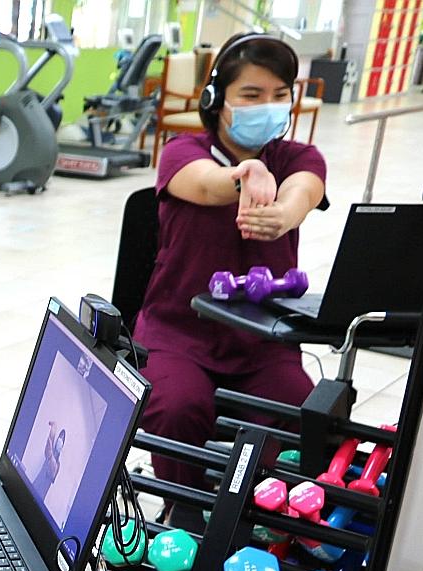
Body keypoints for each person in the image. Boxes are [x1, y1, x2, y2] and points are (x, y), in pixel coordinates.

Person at [133, 34, 326, 522]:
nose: (268, 106)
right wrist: (243, 174)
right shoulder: (182, 150)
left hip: (263, 341)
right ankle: (185, 509)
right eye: (251, 95)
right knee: (176, 406)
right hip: (179, 332)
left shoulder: (299, 159)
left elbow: (305, 190)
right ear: (216, 101)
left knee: (302, 411)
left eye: (279, 94)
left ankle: (248, 514)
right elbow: (203, 183)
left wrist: (284, 212)